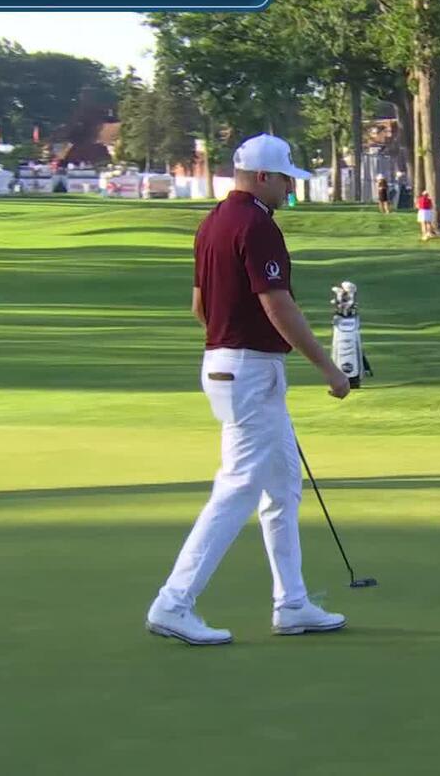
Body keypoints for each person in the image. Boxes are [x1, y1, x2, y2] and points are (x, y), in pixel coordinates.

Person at [146, 133, 351, 646]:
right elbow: (278, 306)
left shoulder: (213, 221)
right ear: (263, 177)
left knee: (282, 486)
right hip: (249, 370)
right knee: (238, 488)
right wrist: (329, 368)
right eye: (285, 178)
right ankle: (173, 602)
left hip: (229, 364)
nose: (289, 188)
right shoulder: (258, 225)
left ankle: (293, 603)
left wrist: (230, 341)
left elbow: (199, 306)